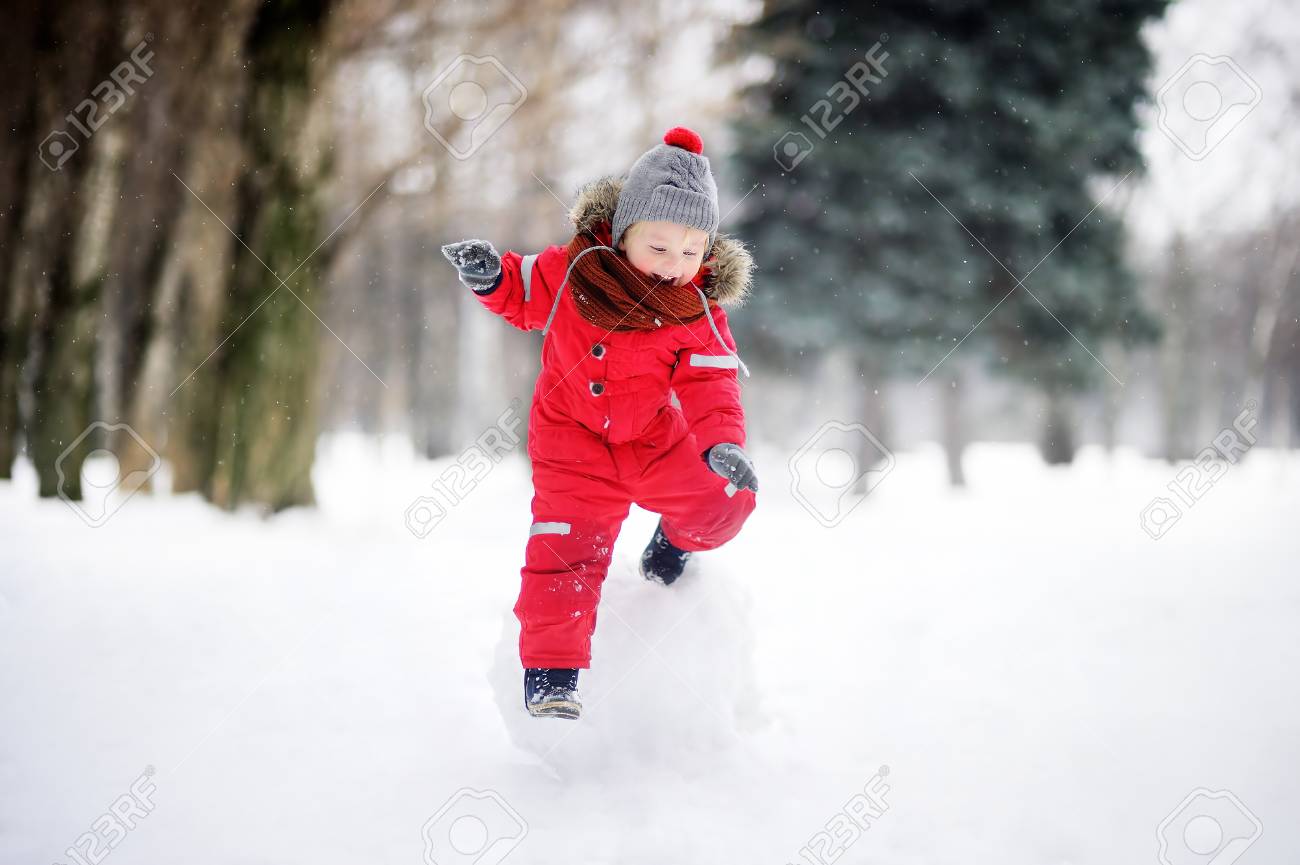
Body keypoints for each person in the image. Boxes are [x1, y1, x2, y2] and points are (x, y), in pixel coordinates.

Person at [441, 126, 758, 719]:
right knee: (564, 551)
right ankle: (551, 675)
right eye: (658, 247)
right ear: (621, 231)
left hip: (652, 441)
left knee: (726, 501)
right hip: (572, 445)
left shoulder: (696, 309)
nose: (673, 266)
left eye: (691, 252)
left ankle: (675, 541)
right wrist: (491, 278)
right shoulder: (574, 271)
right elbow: (523, 290)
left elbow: (711, 381)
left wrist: (721, 446)